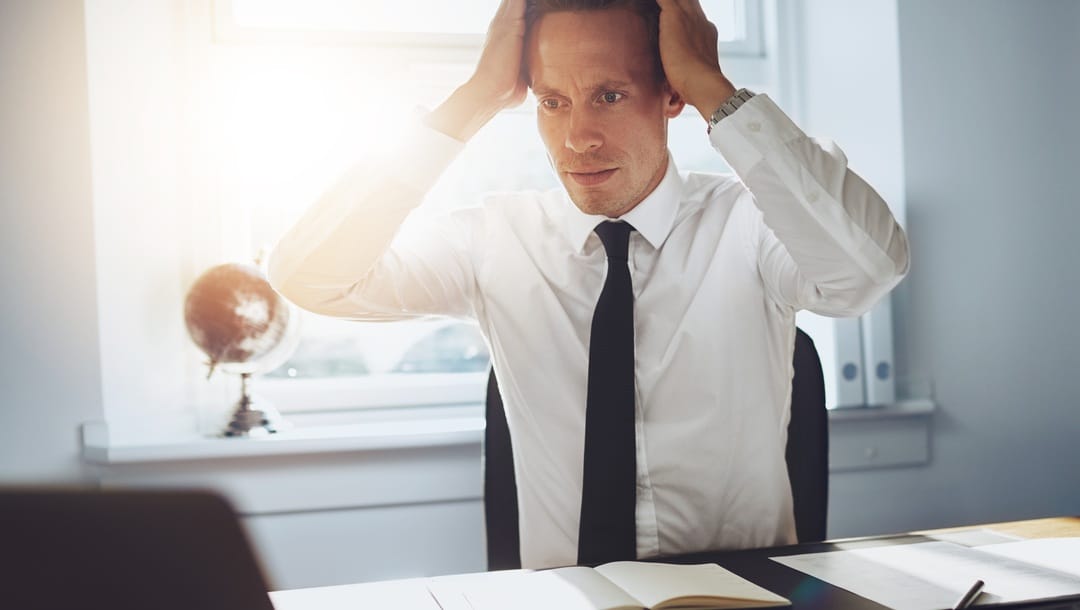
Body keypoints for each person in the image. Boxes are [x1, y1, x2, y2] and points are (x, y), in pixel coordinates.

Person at [268, 0, 910, 570]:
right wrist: (470, 102)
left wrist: (718, 91)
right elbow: (311, 279)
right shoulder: (494, 238)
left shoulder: (750, 224)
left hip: (743, 595)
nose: (577, 138)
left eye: (609, 95)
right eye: (553, 101)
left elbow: (865, 272)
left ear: (671, 94)